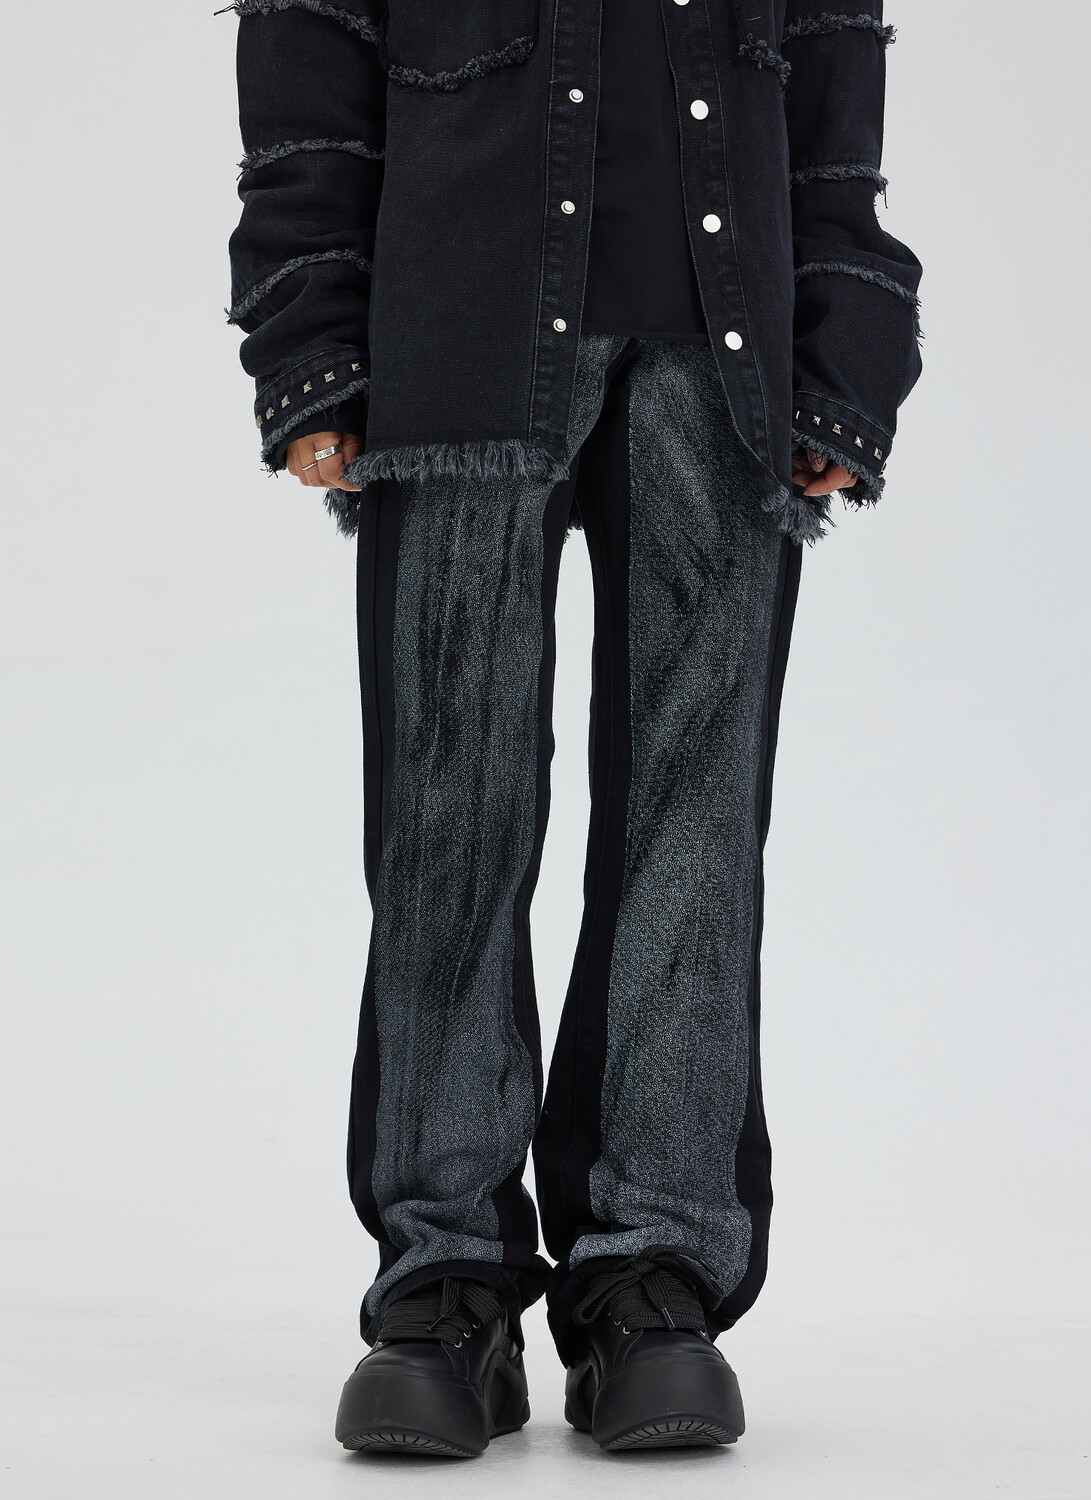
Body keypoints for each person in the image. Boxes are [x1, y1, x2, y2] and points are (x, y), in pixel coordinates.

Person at [225, 0, 920, 1457]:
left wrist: (844, 338)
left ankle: (649, 1275)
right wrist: (309, 333)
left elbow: (833, 79)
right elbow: (309, 55)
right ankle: (446, 1281)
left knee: (697, 825)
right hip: (451, 348)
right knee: (448, 814)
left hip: (724, 366)